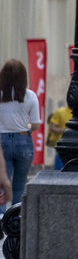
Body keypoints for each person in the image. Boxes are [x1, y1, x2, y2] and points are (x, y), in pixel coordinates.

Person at [0, 59, 35, 209]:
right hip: (23, 140)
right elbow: (36, 124)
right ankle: (16, 221)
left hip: (2, 142)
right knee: (20, 185)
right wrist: (25, 125)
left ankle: (1, 219)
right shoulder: (30, 96)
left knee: (1, 185)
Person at [47, 100, 72, 170]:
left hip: (77, 148)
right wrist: (64, 130)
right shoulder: (60, 112)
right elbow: (51, 127)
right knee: (59, 172)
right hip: (62, 147)